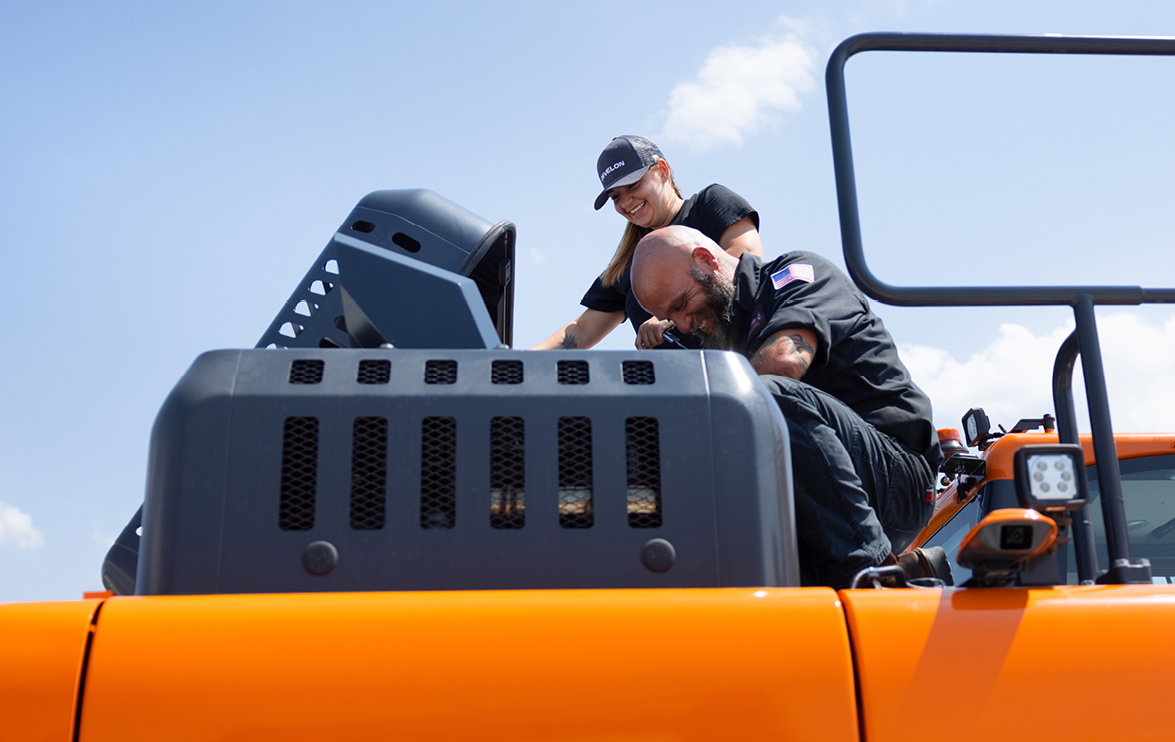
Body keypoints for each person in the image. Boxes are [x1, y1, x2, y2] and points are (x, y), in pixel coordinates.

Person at [630, 225, 948, 588]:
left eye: (682, 304)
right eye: (672, 318)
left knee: (763, 397)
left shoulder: (795, 277)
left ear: (706, 262)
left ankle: (870, 576)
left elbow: (784, 362)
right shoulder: (723, 339)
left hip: (896, 477)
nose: (684, 324)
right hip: (815, 492)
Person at [531, 135, 762, 351]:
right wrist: (515, 361)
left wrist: (669, 316)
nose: (626, 201)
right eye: (615, 197)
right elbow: (582, 331)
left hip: (740, 370)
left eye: (632, 185)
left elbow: (744, 260)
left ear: (662, 170)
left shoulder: (710, 204)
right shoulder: (632, 261)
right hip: (679, 388)